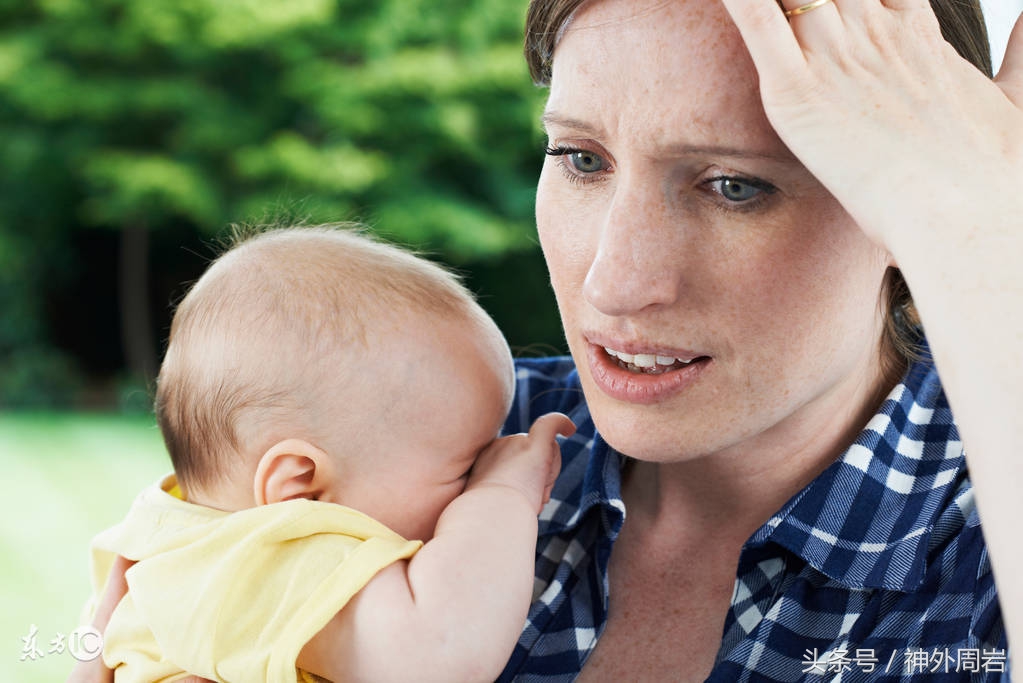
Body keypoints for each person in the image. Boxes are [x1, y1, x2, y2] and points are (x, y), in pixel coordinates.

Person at [73, 0, 1023, 680]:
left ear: (906, 211)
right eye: (578, 158)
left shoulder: (979, 535)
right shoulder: (422, 428)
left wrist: (985, 226)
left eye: (734, 185)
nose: (614, 279)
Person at [81, 226, 574, 682]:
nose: (487, 468)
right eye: (467, 467)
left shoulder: (177, 538)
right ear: (302, 486)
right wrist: (502, 493)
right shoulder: (271, 559)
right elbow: (446, 652)